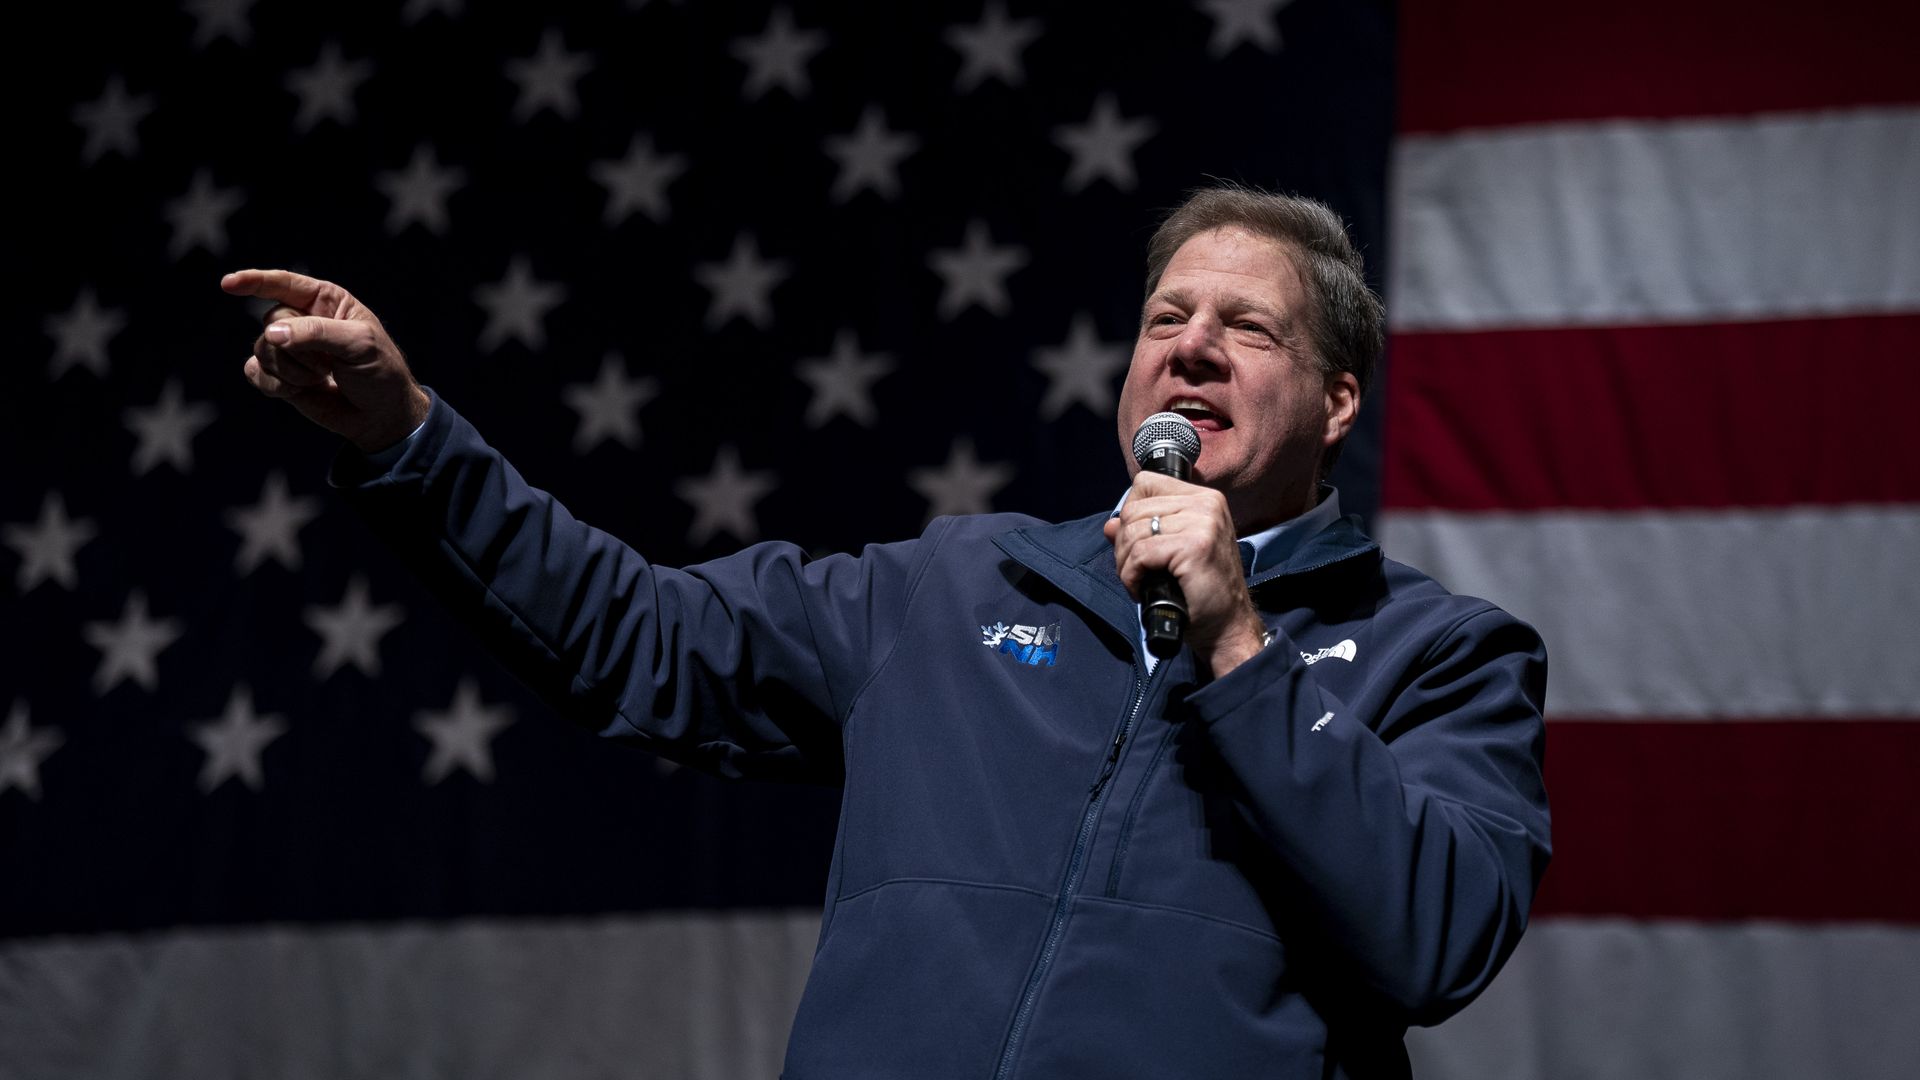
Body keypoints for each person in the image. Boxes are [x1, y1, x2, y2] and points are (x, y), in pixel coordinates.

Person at [222, 184, 1550, 1080]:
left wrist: (1240, 650)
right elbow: (638, 635)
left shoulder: (1445, 655)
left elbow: (1433, 938)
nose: (1191, 348)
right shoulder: (960, 584)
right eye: (1165, 321)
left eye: (1246, 329)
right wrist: (411, 442)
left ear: (1333, 402)